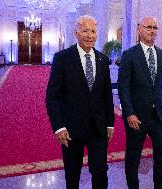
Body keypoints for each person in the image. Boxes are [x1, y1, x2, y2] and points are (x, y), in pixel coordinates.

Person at [45, 15, 114, 189]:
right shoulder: (63, 58)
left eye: (93, 31)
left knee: (100, 171)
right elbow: (52, 96)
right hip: (71, 129)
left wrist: (110, 124)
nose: (90, 35)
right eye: (85, 31)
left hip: (98, 128)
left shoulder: (103, 60)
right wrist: (59, 127)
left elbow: (107, 95)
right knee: (72, 173)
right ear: (76, 33)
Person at [118, 16, 162, 189]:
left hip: (159, 116)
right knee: (133, 157)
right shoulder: (129, 55)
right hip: (137, 117)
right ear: (139, 29)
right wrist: (129, 113)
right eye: (148, 27)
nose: (152, 30)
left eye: (155, 28)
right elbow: (123, 86)